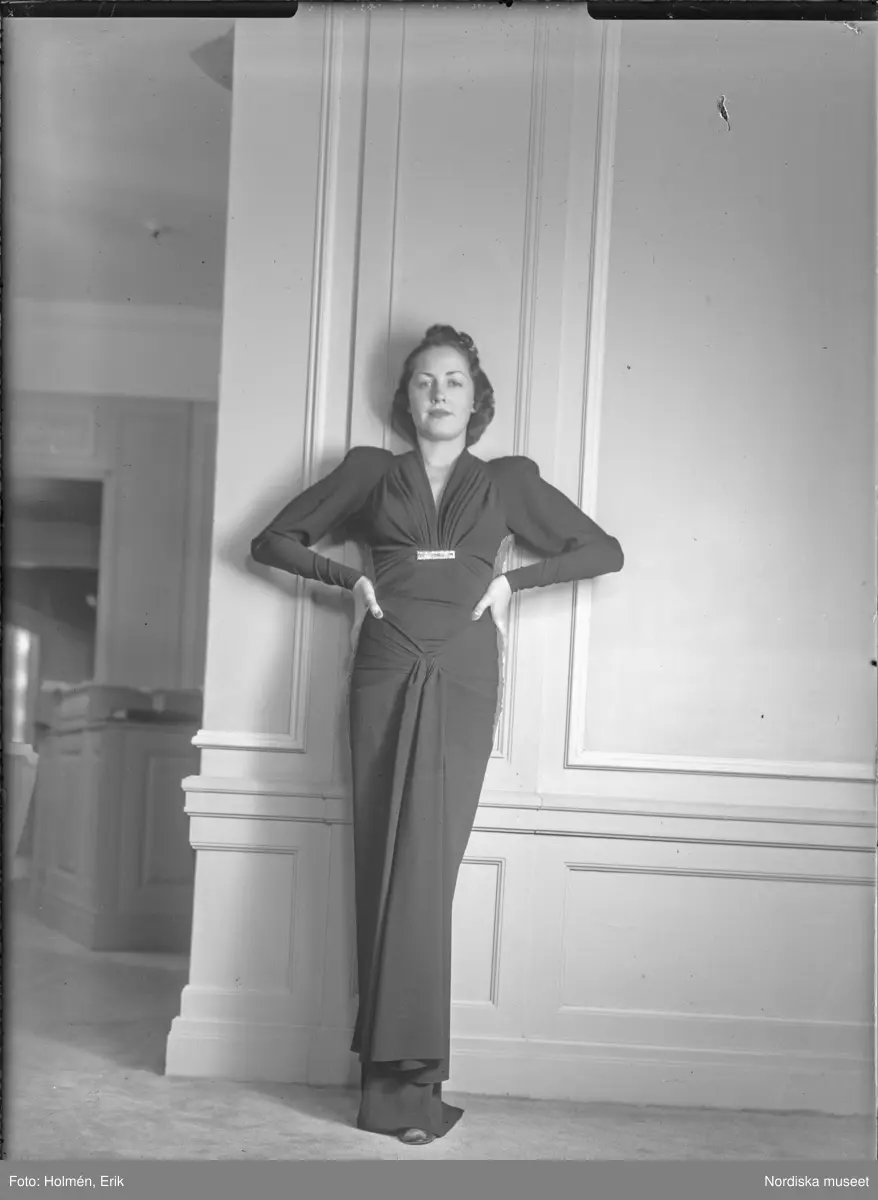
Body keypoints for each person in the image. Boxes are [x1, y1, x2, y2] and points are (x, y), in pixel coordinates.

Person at [250, 324, 624, 1145]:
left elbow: (605, 550)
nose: (439, 393)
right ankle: (388, 1094)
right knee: (382, 858)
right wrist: (349, 579)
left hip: (462, 671)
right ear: (407, 396)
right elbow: (270, 541)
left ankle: (414, 1086)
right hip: (384, 665)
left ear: (475, 397)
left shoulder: (508, 481)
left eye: (453, 380)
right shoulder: (368, 472)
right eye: (425, 380)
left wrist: (513, 585)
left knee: (426, 871)